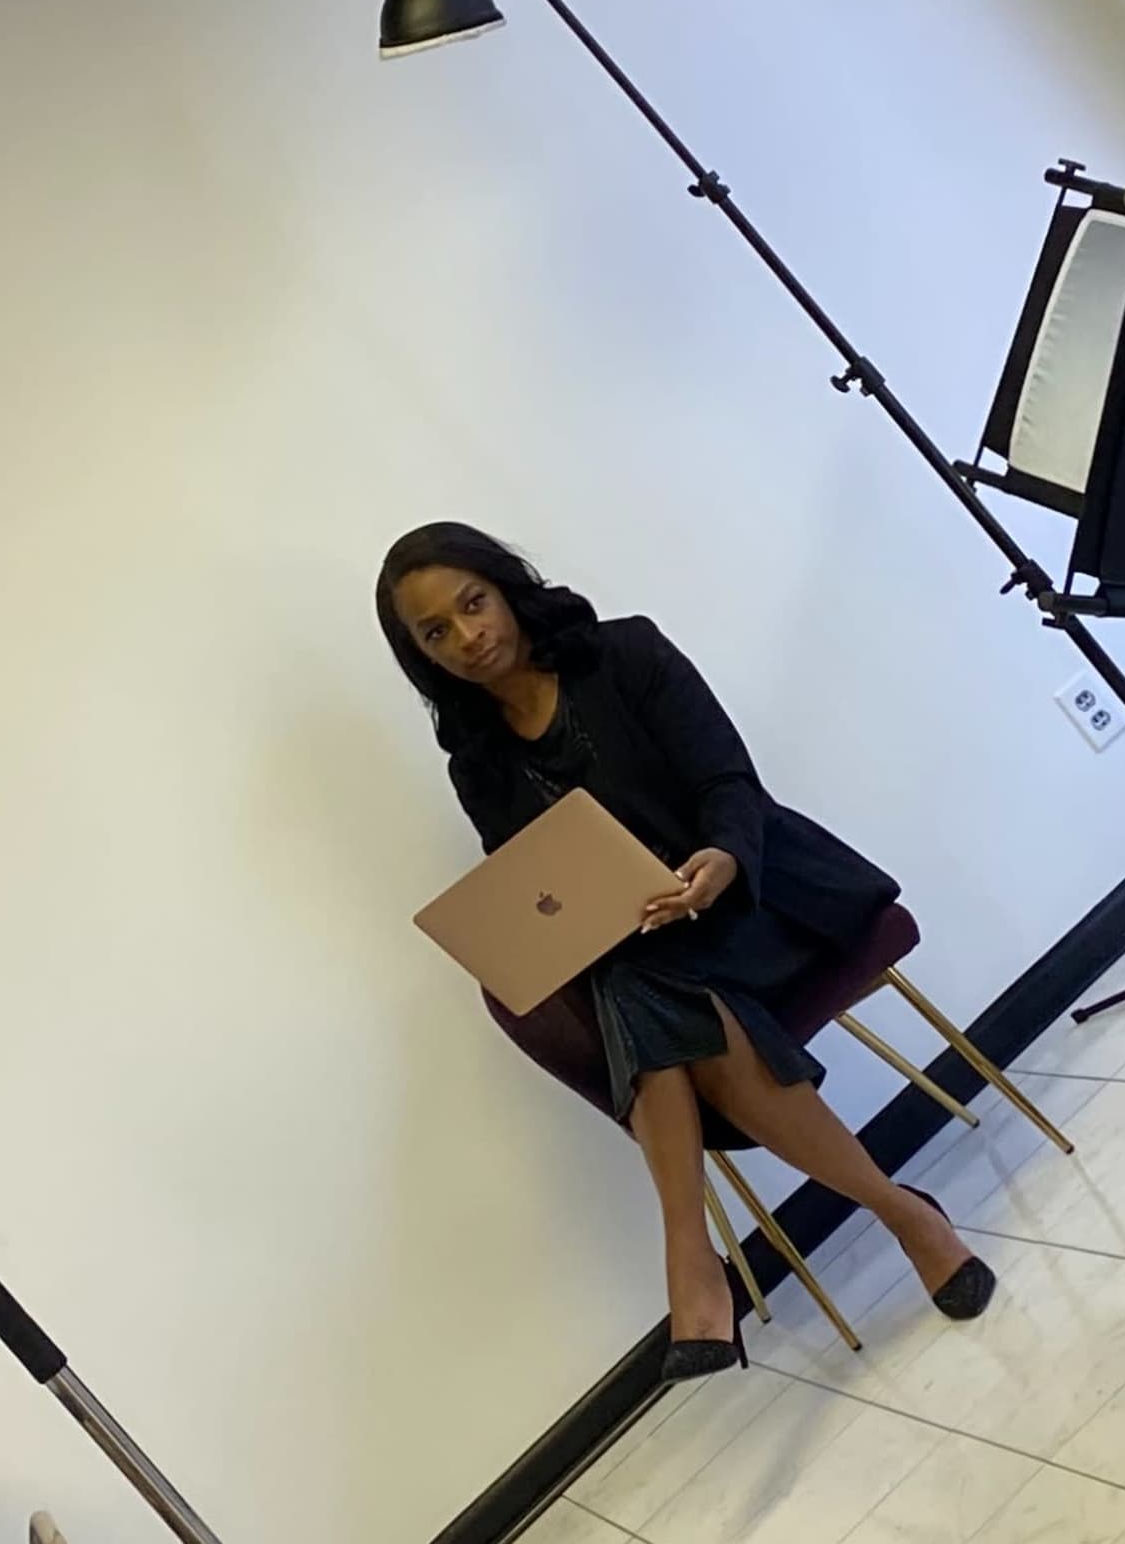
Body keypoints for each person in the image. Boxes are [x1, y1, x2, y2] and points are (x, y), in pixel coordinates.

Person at [378, 524, 998, 1373]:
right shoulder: (477, 761)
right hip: (649, 949)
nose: (467, 636)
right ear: (420, 657)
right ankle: (904, 1215)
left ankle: (692, 1259)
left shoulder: (623, 653)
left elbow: (728, 781)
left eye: (471, 604)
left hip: (759, 900)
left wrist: (721, 860)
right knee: (654, 989)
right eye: (435, 632)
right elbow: (540, 888)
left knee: (654, 1001)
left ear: (505, 586)